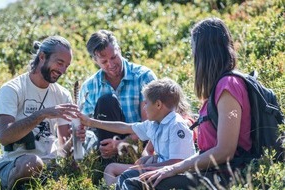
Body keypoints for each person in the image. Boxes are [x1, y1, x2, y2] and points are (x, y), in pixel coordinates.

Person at [116, 17, 252, 189]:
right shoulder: (217, 89)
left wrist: (173, 168)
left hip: (224, 175)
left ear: (204, 52)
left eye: (193, 48)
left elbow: (225, 151)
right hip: (206, 171)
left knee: (135, 184)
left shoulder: (228, 87)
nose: (192, 55)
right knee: (129, 178)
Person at [0, 36, 86, 189]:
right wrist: (42, 114)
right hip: (15, 163)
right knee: (32, 162)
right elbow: (4, 137)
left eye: (67, 66)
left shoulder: (62, 95)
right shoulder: (12, 89)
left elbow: (63, 149)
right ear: (42, 57)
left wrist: (76, 138)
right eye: (59, 63)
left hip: (50, 168)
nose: (63, 70)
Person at [78, 78, 196, 186]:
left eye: (146, 103)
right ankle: (116, 186)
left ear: (158, 104)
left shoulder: (177, 126)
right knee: (110, 169)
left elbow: (178, 162)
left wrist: (148, 166)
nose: (144, 107)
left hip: (173, 174)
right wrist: (91, 122)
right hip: (157, 169)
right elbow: (124, 127)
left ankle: (118, 186)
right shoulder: (154, 124)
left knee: (126, 178)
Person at [79, 30, 157, 161]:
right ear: (95, 61)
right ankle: (107, 165)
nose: (111, 64)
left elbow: (151, 124)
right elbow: (86, 129)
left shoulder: (144, 76)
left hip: (140, 145)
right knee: (106, 102)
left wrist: (122, 144)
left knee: (107, 100)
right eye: (104, 62)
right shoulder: (89, 86)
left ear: (119, 50)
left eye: (114, 57)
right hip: (105, 147)